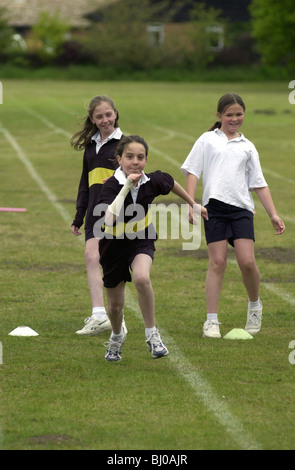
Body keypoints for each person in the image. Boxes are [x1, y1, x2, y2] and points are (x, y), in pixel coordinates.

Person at [181, 93, 285, 339]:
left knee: (247, 262)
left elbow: (259, 183)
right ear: (219, 116)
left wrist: (273, 214)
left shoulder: (248, 146)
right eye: (229, 115)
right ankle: (211, 321)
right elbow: (193, 172)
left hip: (241, 210)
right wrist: (190, 202)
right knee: (217, 263)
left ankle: (254, 306)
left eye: (239, 114)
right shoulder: (207, 140)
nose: (235, 119)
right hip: (213, 209)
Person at [95, 135, 208, 361]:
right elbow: (108, 220)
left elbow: (170, 182)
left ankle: (152, 334)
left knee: (141, 278)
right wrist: (127, 185)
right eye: (129, 157)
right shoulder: (111, 185)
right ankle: (117, 337)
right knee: (115, 307)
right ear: (119, 159)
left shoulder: (151, 181)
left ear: (146, 160)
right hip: (113, 247)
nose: (135, 162)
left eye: (140, 157)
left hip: (141, 239)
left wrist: (192, 203)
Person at [70, 95, 126, 336]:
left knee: (112, 262)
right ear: (92, 119)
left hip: (118, 212)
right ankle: (99, 315)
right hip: (94, 211)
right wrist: (79, 215)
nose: (105, 120)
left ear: (115, 114)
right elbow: (85, 182)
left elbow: (135, 175)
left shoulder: (125, 144)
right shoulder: (91, 146)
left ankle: (118, 318)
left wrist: (116, 180)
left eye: (108, 115)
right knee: (91, 256)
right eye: (99, 116)